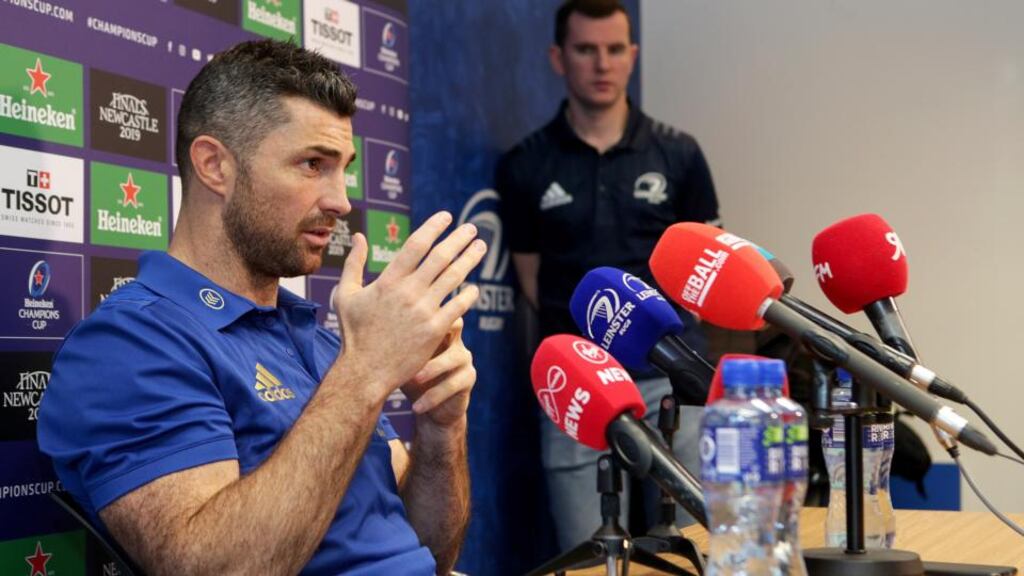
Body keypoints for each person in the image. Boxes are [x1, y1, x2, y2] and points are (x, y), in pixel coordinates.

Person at [38, 40, 485, 575]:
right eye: (312, 164)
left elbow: (432, 554)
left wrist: (441, 426)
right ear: (214, 166)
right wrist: (365, 373)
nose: (341, 201)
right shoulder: (129, 344)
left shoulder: (323, 341)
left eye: (343, 168)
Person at [495, 0, 721, 550]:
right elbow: (531, 279)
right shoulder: (525, 165)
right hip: (576, 385)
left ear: (632, 55)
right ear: (558, 57)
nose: (602, 64)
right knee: (588, 555)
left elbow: (706, 272)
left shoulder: (680, 154)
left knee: (698, 548)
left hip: (675, 385)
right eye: (585, 49)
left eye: (615, 49)